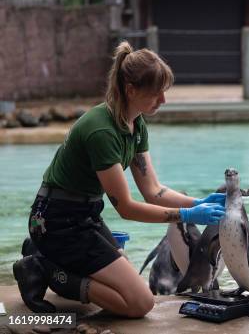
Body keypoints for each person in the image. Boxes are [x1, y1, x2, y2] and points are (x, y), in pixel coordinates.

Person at [12, 41, 226, 318]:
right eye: (156, 93)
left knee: (121, 277)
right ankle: (45, 268)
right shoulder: (102, 131)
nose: (163, 100)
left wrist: (199, 203)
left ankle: (47, 258)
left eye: (164, 92)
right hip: (56, 222)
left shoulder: (135, 124)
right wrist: (186, 214)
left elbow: (153, 191)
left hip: (84, 216)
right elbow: (126, 208)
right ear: (130, 89)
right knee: (139, 304)